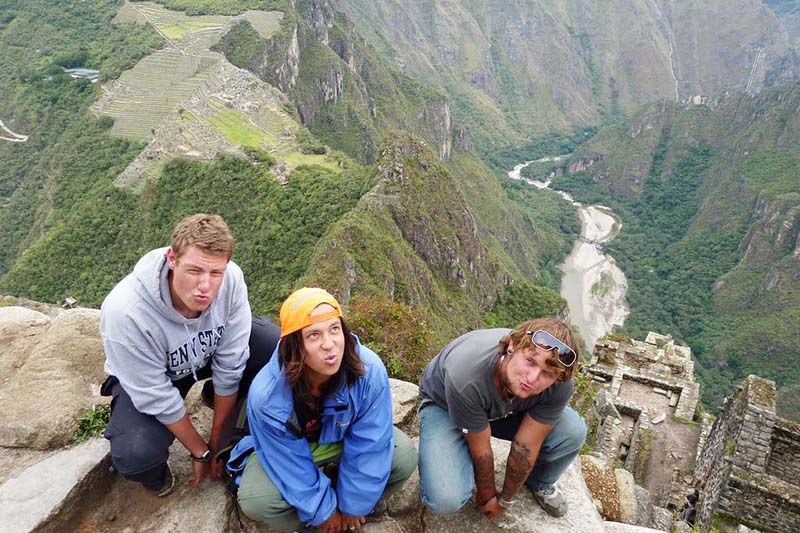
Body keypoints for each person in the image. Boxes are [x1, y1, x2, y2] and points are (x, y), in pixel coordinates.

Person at [99, 213, 280, 496]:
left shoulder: (231, 280)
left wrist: (218, 436)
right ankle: (155, 473)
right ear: (172, 259)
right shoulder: (126, 312)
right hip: (161, 373)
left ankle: (216, 398)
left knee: (276, 347)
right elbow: (155, 395)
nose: (205, 287)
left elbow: (232, 361)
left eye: (215, 273)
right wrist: (200, 450)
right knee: (136, 455)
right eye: (194, 271)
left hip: (207, 352)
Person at [228, 287, 417, 532]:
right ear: (294, 344)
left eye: (334, 330)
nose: (329, 345)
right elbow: (287, 463)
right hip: (291, 451)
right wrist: (323, 512)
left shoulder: (367, 371)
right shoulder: (267, 395)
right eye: (314, 335)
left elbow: (370, 442)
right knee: (258, 501)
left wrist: (354, 507)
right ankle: (315, 521)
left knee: (402, 457)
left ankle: (352, 503)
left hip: (341, 440)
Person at [418, 318, 587, 519]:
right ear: (511, 346)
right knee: (446, 498)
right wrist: (488, 497)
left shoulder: (559, 383)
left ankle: (540, 481)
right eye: (530, 362)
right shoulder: (467, 374)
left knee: (571, 431)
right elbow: (481, 450)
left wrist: (506, 499)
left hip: (506, 411)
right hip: (446, 405)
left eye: (547, 374)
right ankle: (453, 456)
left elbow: (525, 446)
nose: (532, 379)